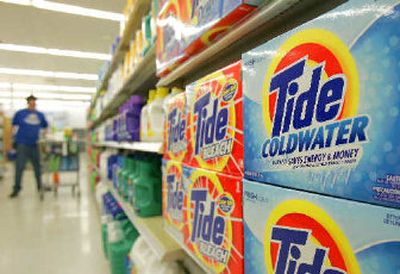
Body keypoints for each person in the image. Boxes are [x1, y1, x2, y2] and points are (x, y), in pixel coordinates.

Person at [9, 95, 48, 198]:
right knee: (19, 167)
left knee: (37, 167)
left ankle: (40, 186)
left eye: (34, 102)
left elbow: (45, 126)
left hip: (35, 145)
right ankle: (16, 189)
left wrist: (44, 137)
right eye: (30, 102)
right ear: (27, 103)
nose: (32, 104)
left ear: (35, 103)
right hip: (22, 144)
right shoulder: (20, 114)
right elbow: (13, 126)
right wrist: (11, 142)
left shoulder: (40, 115)